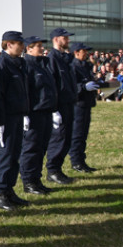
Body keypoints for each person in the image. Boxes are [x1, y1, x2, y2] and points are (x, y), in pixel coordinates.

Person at [0, 32, 32, 211]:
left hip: (17, 115)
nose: (22, 47)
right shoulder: (2, 65)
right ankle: (1, 193)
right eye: (19, 43)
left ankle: (9, 190)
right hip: (5, 117)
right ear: (8, 45)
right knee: (5, 154)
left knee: (15, 153)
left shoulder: (18, 64)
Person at [18, 36, 58, 195]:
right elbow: (25, 91)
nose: (42, 49)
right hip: (34, 113)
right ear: (29, 49)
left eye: (42, 46)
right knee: (31, 148)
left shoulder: (42, 64)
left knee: (42, 147)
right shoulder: (26, 66)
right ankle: (28, 181)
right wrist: (25, 113)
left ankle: (36, 179)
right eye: (38, 46)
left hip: (46, 112)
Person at [45, 28, 78, 184]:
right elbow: (52, 85)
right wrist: (54, 109)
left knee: (67, 138)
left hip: (69, 103)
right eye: (65, 38)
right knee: (59, 138)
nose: (68, 41)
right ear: (56, 39)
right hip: (59, 105)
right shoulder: (52, 58)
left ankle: (57, 169)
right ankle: (52, 170)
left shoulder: (65, 58)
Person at [69, 42, 107, 173]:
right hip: (78, 104)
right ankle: (76, 161)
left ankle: (81, 160)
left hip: (87, 103)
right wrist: (83, 87)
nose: (86, 54)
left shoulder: (85, 65)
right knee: (77, 134)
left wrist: (98, 82)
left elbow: (89, 79)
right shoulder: (72, 66)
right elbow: (71, 86)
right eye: (84, 51)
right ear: (76, 52)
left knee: (83, 133)